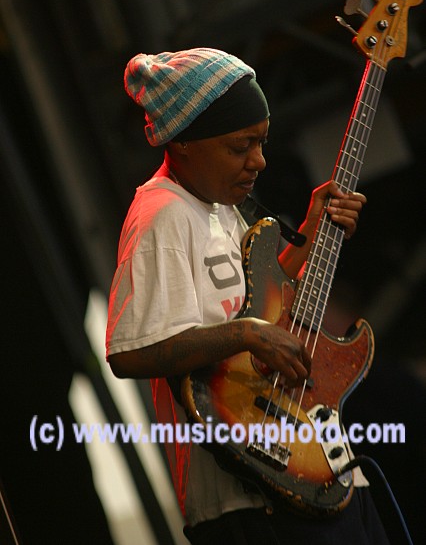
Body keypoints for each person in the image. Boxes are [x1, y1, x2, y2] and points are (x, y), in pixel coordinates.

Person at [106, 48, 390, 544]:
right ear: (185, 142)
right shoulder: (162, 216)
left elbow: (258, 305)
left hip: (315, 468)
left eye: (261, 142)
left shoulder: (220, 208)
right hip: (250, 502)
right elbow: (130, 351)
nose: (259, 161)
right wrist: (246, 334)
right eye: (241, 146)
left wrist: (310, 233)